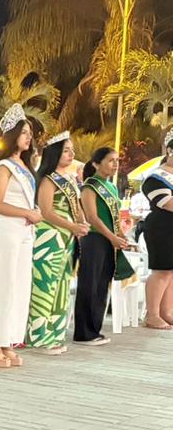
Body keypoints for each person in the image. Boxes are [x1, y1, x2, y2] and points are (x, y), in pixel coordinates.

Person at [0, 107, 41, 367]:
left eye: (30, 133)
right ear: (12, 135)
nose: (28, 137)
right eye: (24, 132)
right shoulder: (3, 166)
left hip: (23, 231)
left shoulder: (24, 166)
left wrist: (33, 212)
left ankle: (7, 341)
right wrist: (27, 212)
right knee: (2, 287)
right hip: (5, 229)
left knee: (18, 288)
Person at [26, 132, 89, 354]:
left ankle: (55, 333)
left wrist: (81, 222)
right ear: (54, 154)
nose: (71, 154)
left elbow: (77, 207)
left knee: (62, 285)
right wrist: (72, 226)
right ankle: (39, 336)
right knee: (45, 284)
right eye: (66, 150)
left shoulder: (70, 179)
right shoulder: (47, 179)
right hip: (49, 237)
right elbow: (46, 211)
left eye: (72, 150)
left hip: (67, 238)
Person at [75, 147, 135, 343]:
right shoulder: (90, 186)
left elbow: (114, 217)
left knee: (102, 285)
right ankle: (83, 332)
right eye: (110, 160)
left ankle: (95, 329)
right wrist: (112, 237)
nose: (115, 164)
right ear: (96, 164)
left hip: (109, 240)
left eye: (117, 160)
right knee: (90, 284)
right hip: (94, 239)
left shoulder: (112, 187)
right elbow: (92, 217)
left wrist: (121, 236)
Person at [141, 133, 173, 329]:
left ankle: (166, 312)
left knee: (171, 272)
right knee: (162, 270)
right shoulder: (155, 177)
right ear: (169, 151)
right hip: (162, 228)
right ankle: (152, 314)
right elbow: (167, 203)